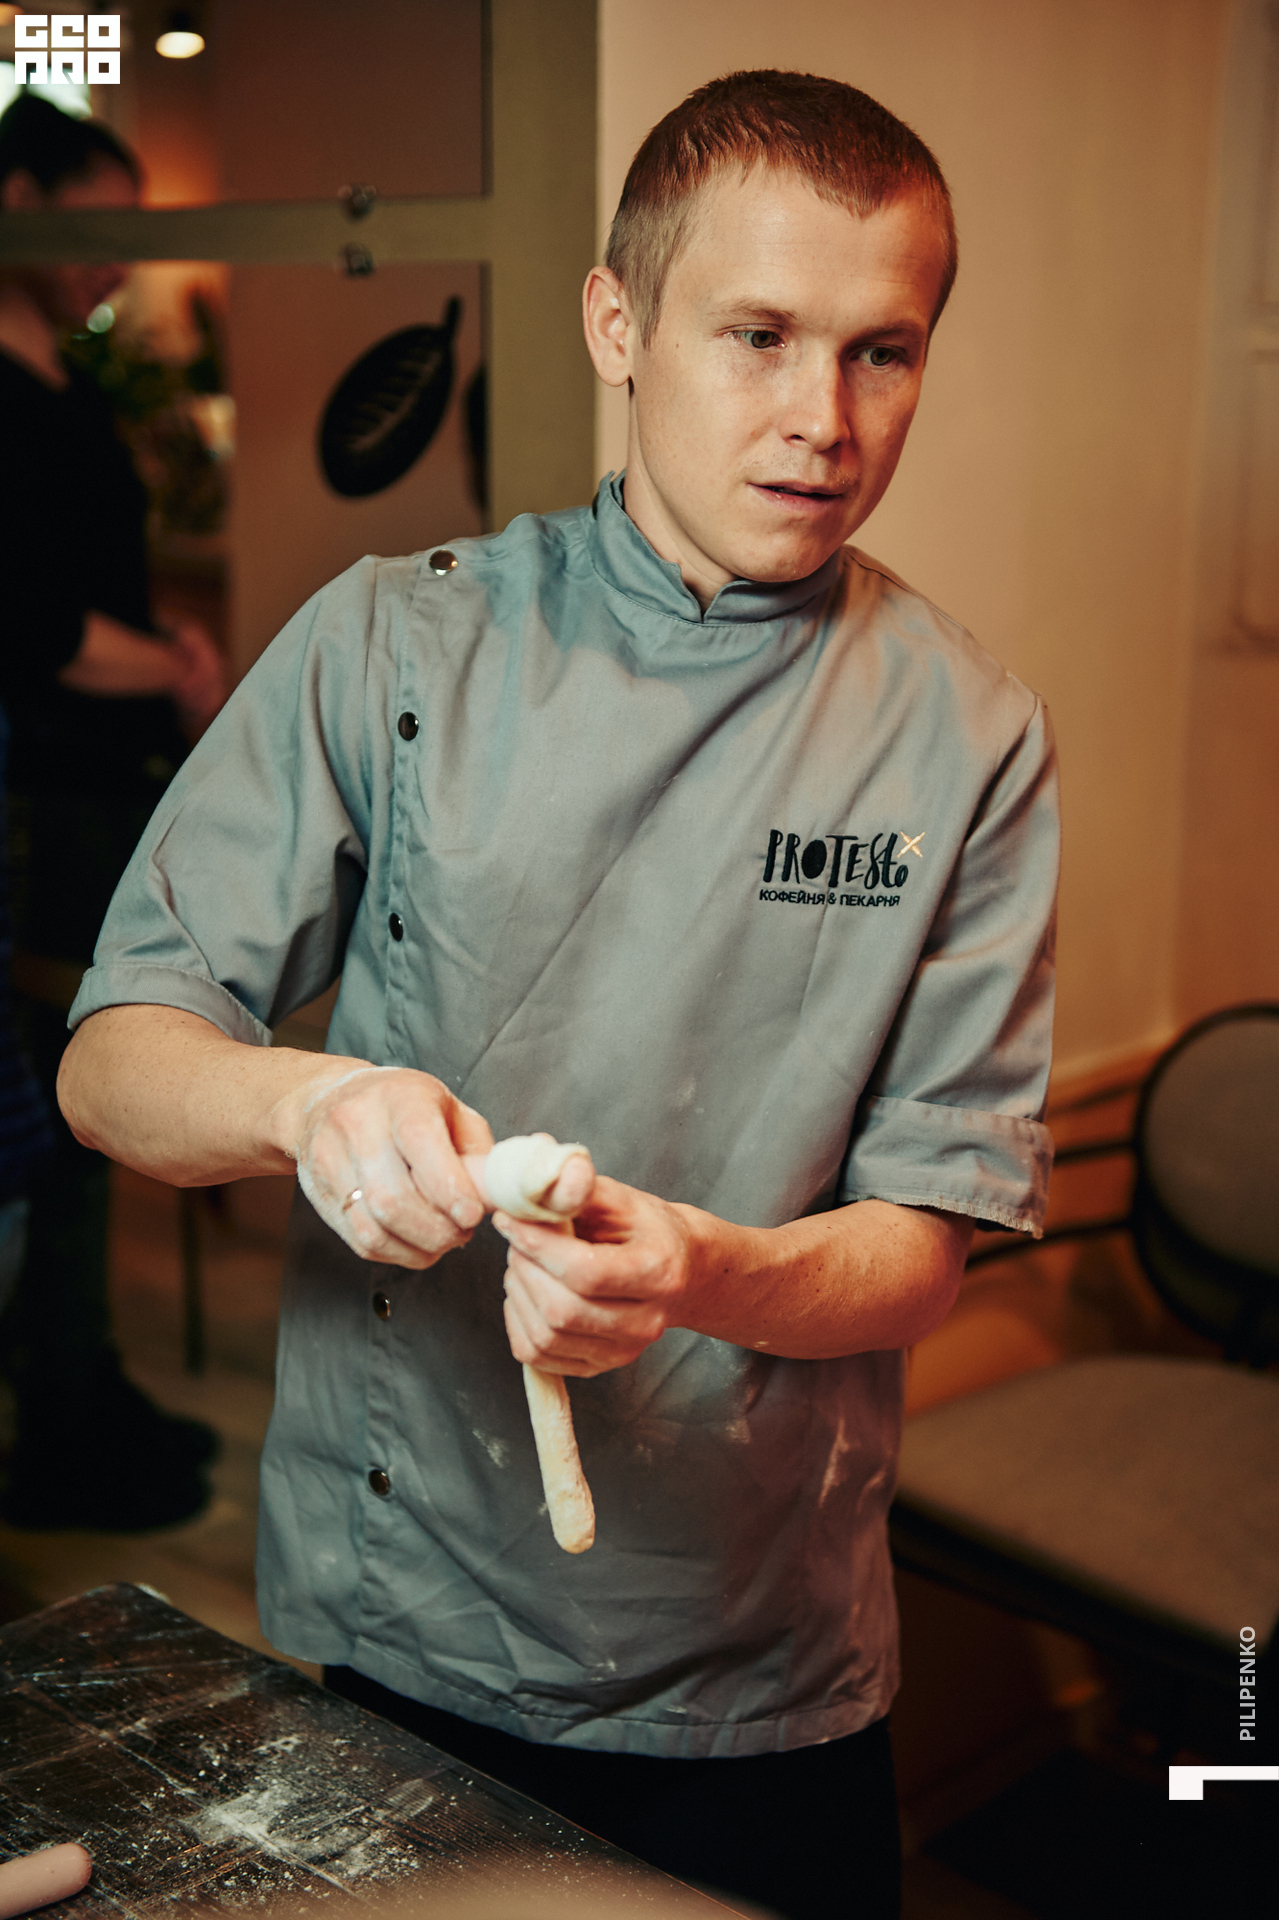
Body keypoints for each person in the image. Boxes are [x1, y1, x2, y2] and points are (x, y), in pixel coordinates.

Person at [58, 71, 1058, 1919]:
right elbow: (115, 1064)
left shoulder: (968, 735)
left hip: (762, 1658)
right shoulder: (396, 642)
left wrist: (699, 1271)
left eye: (882, 352)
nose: (823, 420)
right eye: (757, 336)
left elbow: (929, 1239)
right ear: (618, 323)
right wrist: (308, 1103)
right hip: (415, 1616)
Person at [0, 96, 226, 1530]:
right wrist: (180, 666)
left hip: (98, 797)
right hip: (39, 806)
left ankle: (82, 1386)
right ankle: (60, 1423)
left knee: (85, 1103)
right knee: (56, 1107)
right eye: (96, 224)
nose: (115, 263)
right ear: (21, 203)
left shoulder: (68, 386)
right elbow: (33, 631)